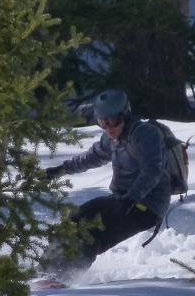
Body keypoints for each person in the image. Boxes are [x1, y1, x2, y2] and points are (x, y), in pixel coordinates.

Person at [44, 89, 171, 276]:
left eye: (113, 121)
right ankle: (46, 270)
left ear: (126, 115)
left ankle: (66, 276)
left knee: (92, 235)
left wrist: (131, 199)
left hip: (146, 206)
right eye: (103, 122)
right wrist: (59, 170)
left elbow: (152, 171)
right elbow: (91, 158)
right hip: (121, 200)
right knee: (74, 219)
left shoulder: (144, 134)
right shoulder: (111, 138)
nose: (109, 127)